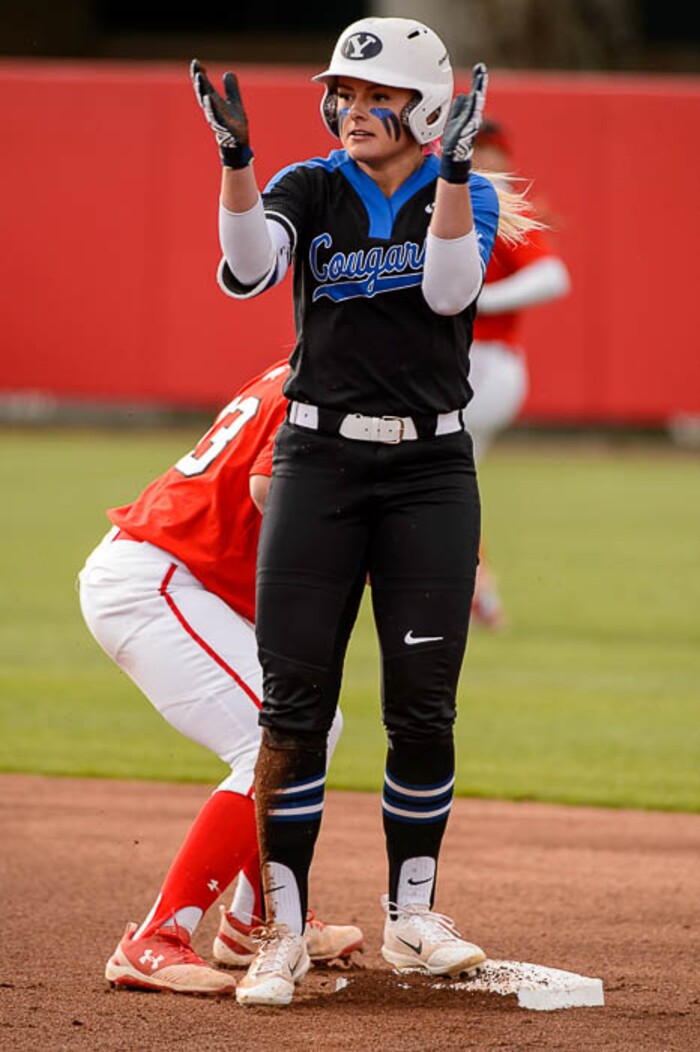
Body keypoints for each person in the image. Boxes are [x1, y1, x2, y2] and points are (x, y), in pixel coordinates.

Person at [191, 14, 540, 1008]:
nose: (352, 106)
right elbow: (251, 267)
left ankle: (412, 916)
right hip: (318, 460)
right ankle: (282, 933)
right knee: (292, 707)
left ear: (424, 106)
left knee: (421, 704)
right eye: (343, 90)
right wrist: (234, 162)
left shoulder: (457, 195)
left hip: (430, 467)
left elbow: (445, 292)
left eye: (376, 92)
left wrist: (456, 177)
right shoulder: (303, 185)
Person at [78, 358, 363, 997]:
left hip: (184, 575)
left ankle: (255, 918)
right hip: (158, 581)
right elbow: (273, 491)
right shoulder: (336, 377)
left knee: (307, 727)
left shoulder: (320, 359)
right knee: (275, 744)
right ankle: (154, 936)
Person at [465, 118, 571, 629]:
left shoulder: (504, 208)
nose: (485, 161)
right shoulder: (454, 201)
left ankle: (470, 584)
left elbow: (553, 277)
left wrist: (480, 300)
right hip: (468, 366)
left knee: (435, 470)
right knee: (447, 476)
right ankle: (476, 587)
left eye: (493, 152)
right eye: (476, 150)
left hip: (488, 365)